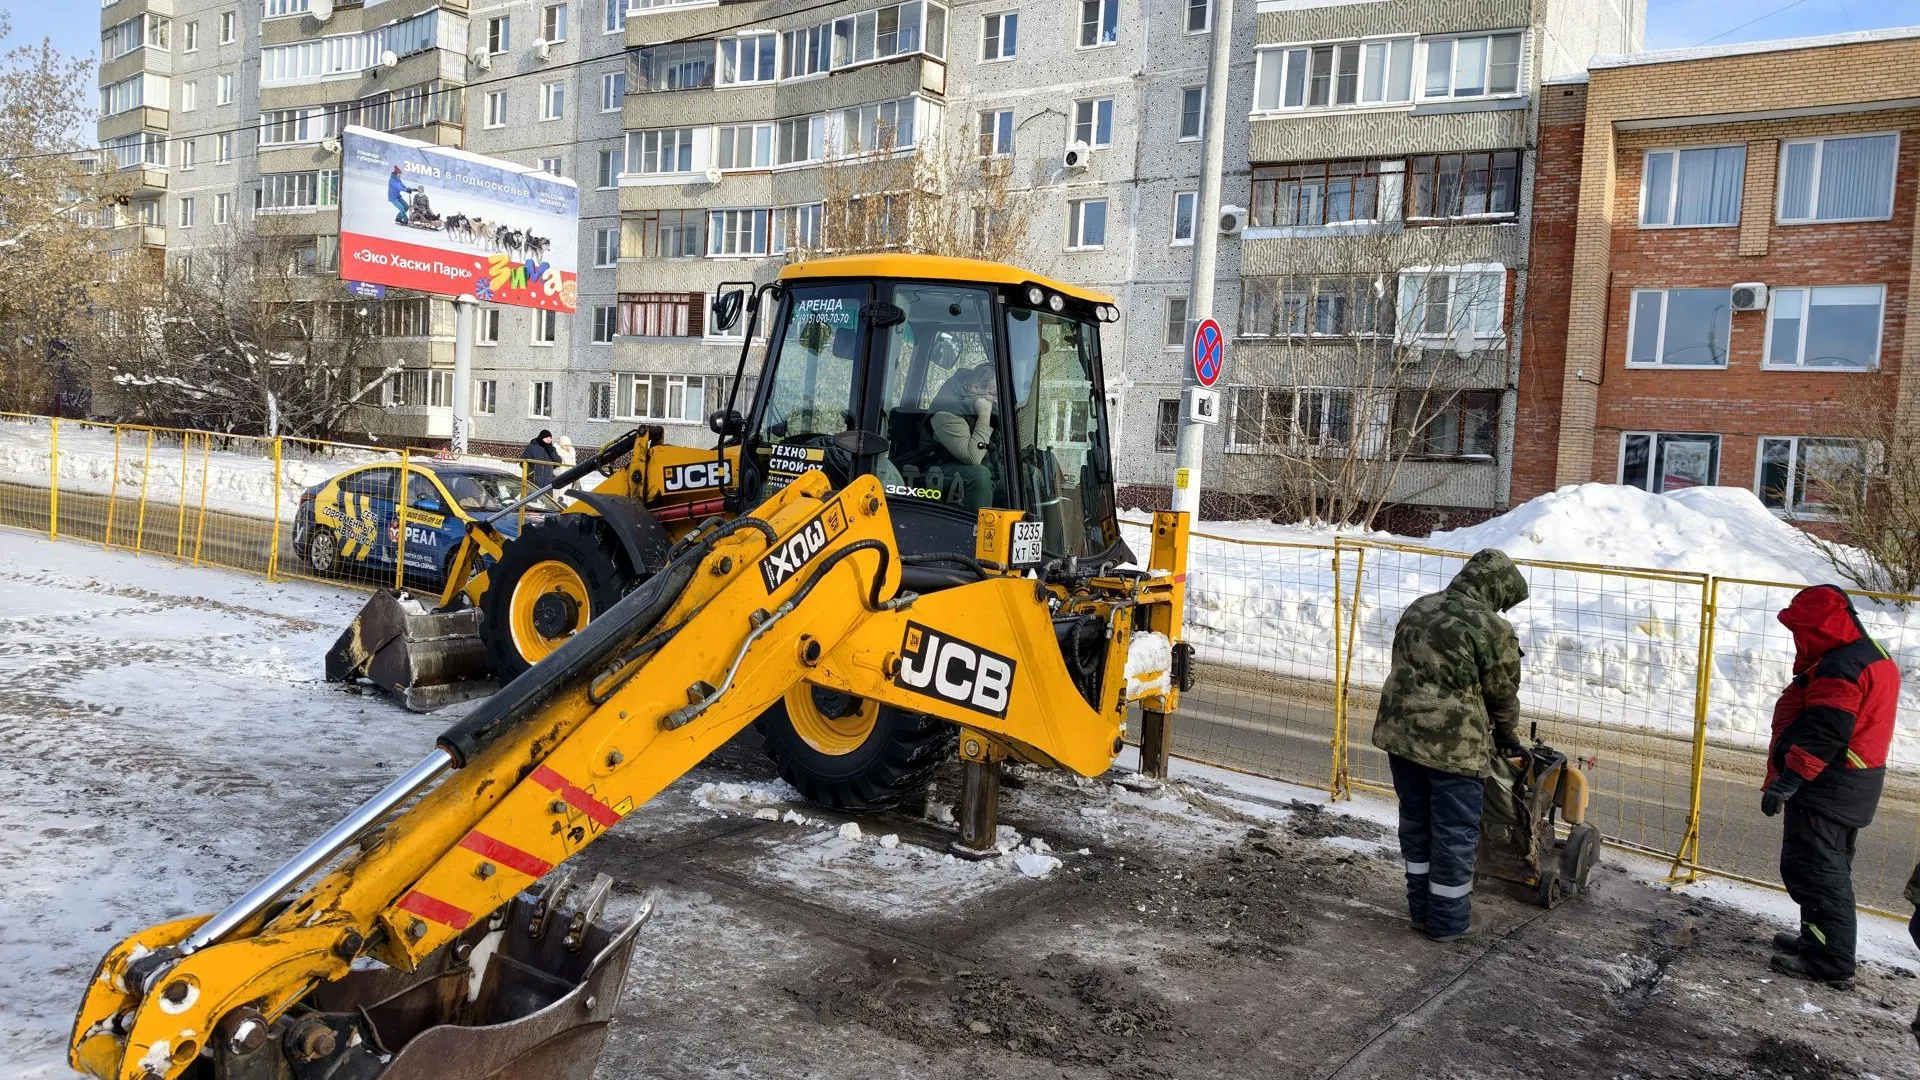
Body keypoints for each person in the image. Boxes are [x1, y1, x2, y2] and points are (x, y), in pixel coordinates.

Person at [1372, 549, 1529, 941]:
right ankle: (1448, 922)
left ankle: (1420, 911)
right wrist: (1508, 739)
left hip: (1401, 738)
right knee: (1454, 833)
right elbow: (1502, 697)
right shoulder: (1492, 628)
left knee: (1416, 823)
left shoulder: (1420, 607)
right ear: (1496, 589)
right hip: (1453, 750)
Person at [1762, 584, 1898, 984]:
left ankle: (1829, 961)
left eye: (1801, 630)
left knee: (1818, 872)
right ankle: (1816, 943)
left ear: (1820, 626)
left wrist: (1790, 779)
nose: (1797, 639)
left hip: (1828, 784)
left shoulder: (1841, 666)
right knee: (1823, 869)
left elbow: (1827, 730)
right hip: (1851, 782)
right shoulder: (1869, 655)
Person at [925, 359, 997, 510]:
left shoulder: (973, 401)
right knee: (980, 476)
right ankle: (979, 530)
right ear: (975, 388)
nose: (998, 401)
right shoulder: (947, 411)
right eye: (995, 395)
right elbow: (973, 457)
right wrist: (984, 416)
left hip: (959, 465)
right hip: (933, 470)